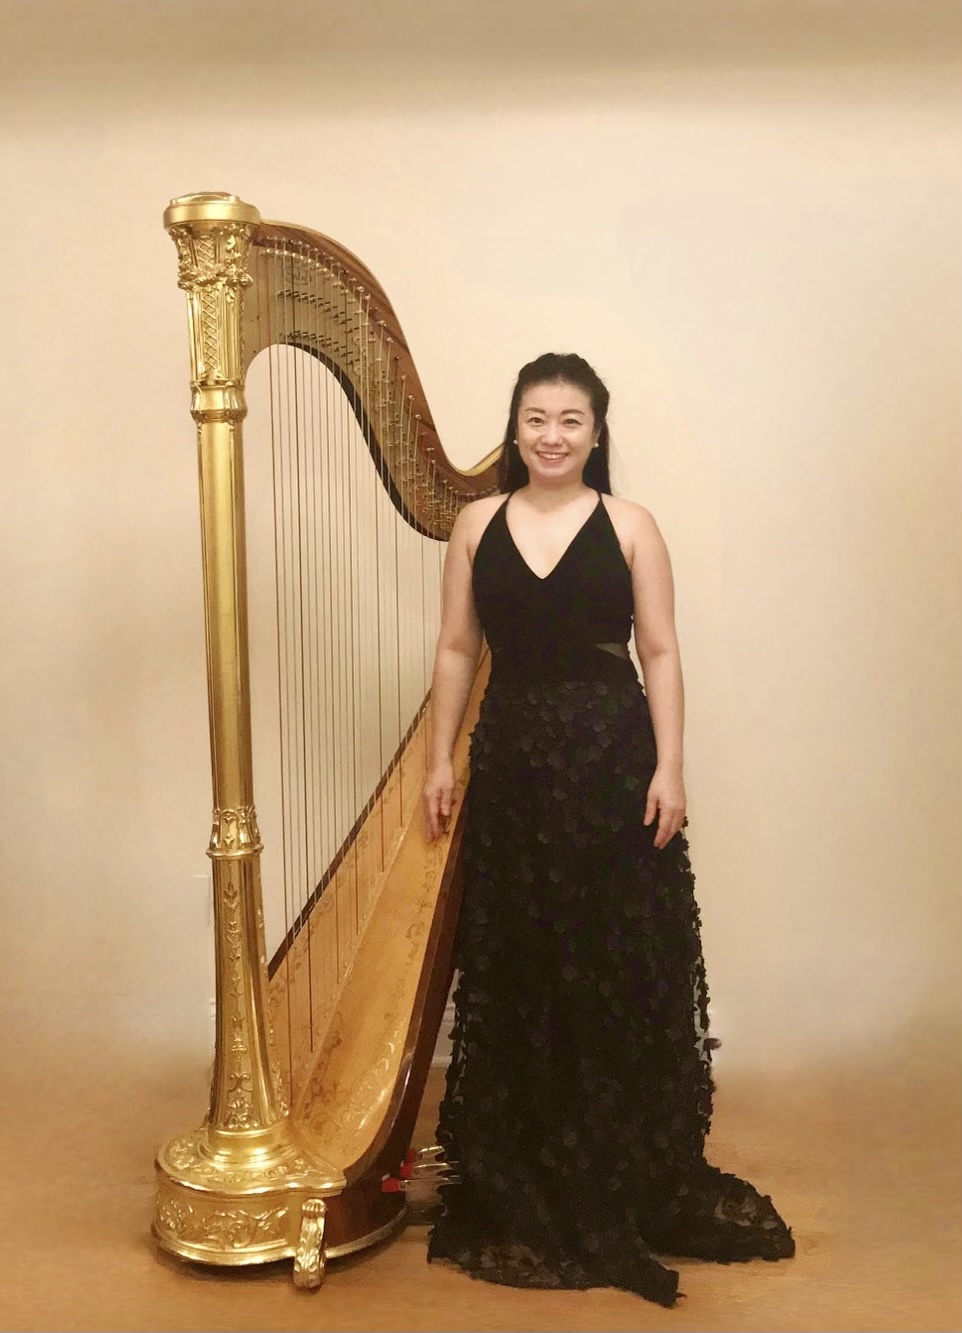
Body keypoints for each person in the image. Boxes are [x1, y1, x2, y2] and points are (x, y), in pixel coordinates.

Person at [421, 353, 794, 1306]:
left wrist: (671, 766)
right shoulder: (475, 526)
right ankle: (534, 1156)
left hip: (610, 759)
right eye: (536, 418)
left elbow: (659, 651)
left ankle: (618, 1161)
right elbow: (459, 646)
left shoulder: (632, 526)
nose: (551, 435)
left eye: (571, 420)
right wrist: (439, 759)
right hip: (514, 759)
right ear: (515, 429)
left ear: (596, 433)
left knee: (608, 957)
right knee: (527, 957)